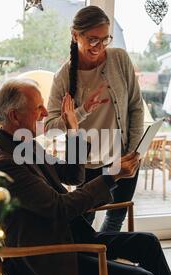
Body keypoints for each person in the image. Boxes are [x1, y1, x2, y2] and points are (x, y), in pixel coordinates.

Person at [0, 79, 171, 275]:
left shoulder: (24, 145)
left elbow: (72, 175)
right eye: (38, 107)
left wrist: (74, 130)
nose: (45, 112)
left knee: (148, 243)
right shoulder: (4, 163)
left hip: (67, 240)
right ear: (14, 116)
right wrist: (112, 174)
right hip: (44, 258)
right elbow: (60, 208)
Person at [45, 6, 145, 232]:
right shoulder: (63, 77)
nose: (99, 47)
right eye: (92, 39)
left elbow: (135, 107)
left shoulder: (119, 59)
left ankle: (108, 265)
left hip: (123, 157)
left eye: (104, 39)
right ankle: (91, 264)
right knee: (84, 222)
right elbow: (50, 127)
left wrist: (133, 152)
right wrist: (82, 111)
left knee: (116, 217)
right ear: (75, 35)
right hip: (87, 164)